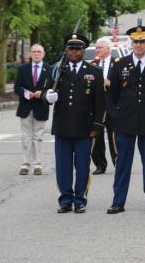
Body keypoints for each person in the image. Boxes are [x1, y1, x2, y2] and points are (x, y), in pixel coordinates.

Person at [107, 26, 145, 215]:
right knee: (123, 163)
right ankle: (118, 202)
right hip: (124, 122)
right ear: (131, 43)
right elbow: (112, 93)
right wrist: (116, 114)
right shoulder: (119, 64)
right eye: (136, 42)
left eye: (142, 41)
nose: (139, 45)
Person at [45, 34, 105, 214]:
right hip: (63, 126)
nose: (74, 52)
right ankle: (65, 199)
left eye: (77, 49)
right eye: (71, 48)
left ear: (83, 51)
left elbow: (100, 102)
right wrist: (47, 97)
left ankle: (80, 199)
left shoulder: (94, 71)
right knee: (63, 166)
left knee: (82, 166)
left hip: (84, 128)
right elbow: (45, 91)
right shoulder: (57, 70)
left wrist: (97, 126)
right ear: (67, 50)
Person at [14, 44, 54, 175]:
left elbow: (53, 88)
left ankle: (38, 165)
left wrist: (41, 94)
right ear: (30, 54)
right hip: (25, 107)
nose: (36, 54)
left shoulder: (49, 69)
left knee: (38, 137)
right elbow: (17, 87)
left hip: (41, 107)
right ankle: (25, 165)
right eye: (34, 52)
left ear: (43, 54)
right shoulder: (23, 69)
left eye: (39, 52)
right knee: (26, 137)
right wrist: (26, 93)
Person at [91, 38, 118, 174]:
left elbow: (124, 86)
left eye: (100, 47)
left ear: (108, 48)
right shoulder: (93, 64)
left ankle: (118, 162)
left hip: (113, 106)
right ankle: (100, 164)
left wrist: (109, 83)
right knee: (97, 136)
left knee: (114, 137)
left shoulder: (118, 64)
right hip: (97, 107)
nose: (97, 50)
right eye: (97, 47)